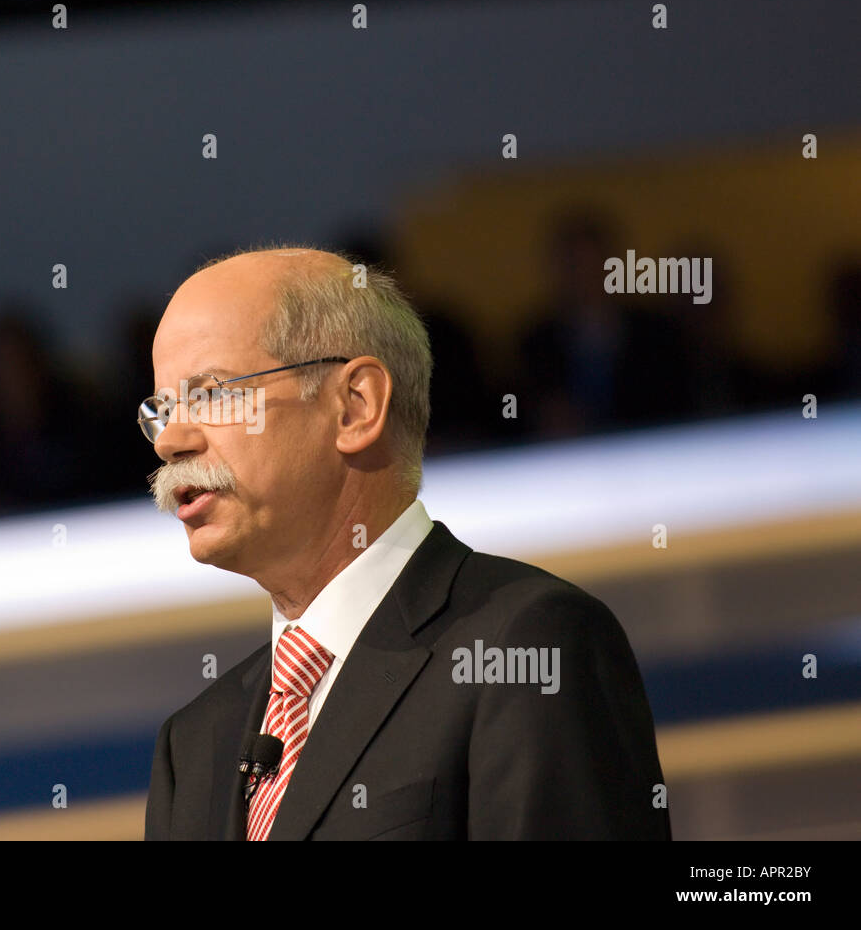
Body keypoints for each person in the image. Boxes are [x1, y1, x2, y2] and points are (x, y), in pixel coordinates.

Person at [141, 245, 670, 840]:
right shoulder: (194, 743)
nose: (169, 442)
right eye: (161, 409)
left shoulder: (525, 647)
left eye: (211, 394)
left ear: (355, 407)